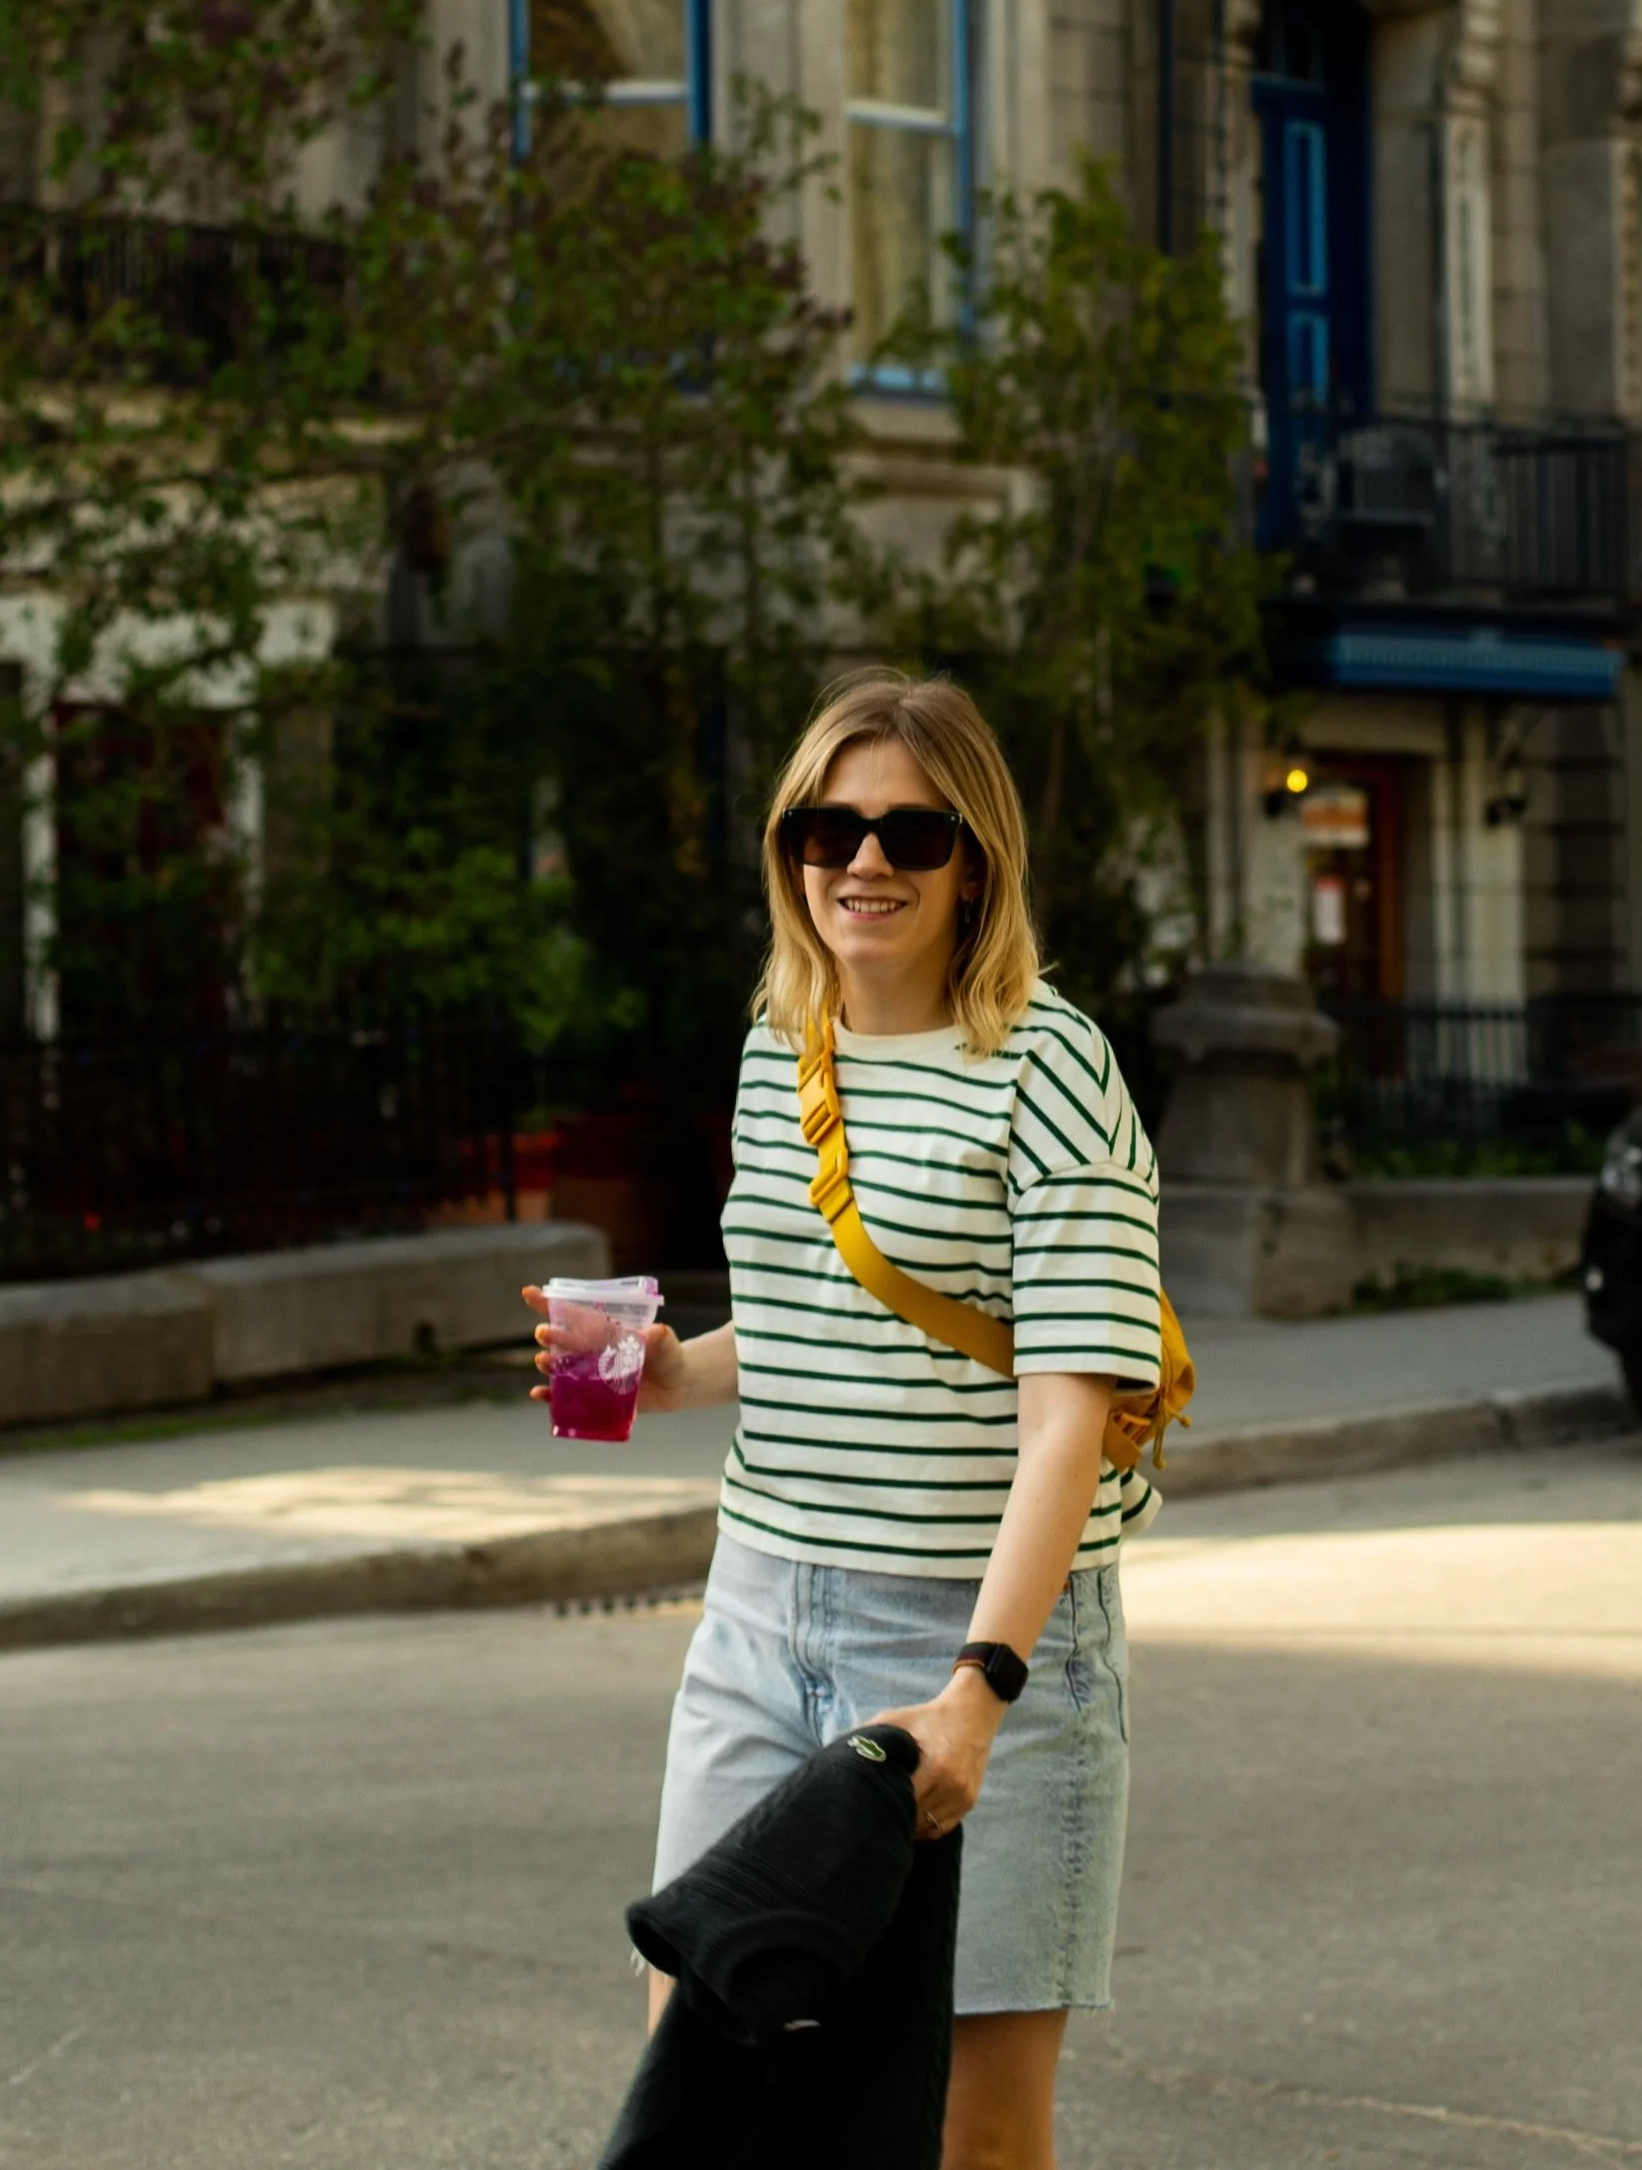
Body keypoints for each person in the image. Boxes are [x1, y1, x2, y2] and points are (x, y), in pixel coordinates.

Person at [526, 670, 1164, 2170]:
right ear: (789, 851)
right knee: (703, 2056)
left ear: (974, 864)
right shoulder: (780, 1046)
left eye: (910, 835)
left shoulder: (1052, 1069)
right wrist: (663, 1373)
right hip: (761, 1616)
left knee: (972, 2124)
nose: (863, 862)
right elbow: (828, 1321)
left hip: (978, 1638)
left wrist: (979, 1691)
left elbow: (1066, 1420)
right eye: (829, 829)